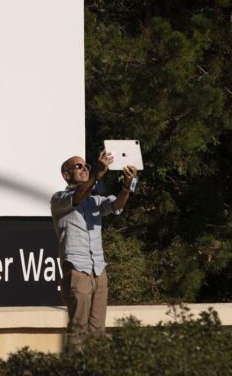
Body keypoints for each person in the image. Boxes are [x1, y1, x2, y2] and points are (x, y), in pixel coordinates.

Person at [50, 150, 138, 350]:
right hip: (78, 270)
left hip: (99, 271)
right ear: (66, 174)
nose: (84, 169)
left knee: (97, 333)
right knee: (78, 331)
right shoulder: (59, 199)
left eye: (87, 166)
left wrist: (127, 185)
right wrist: (97, 174)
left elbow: (116, 206)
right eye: (78, 166)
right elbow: (78, 197)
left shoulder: (95, 201)